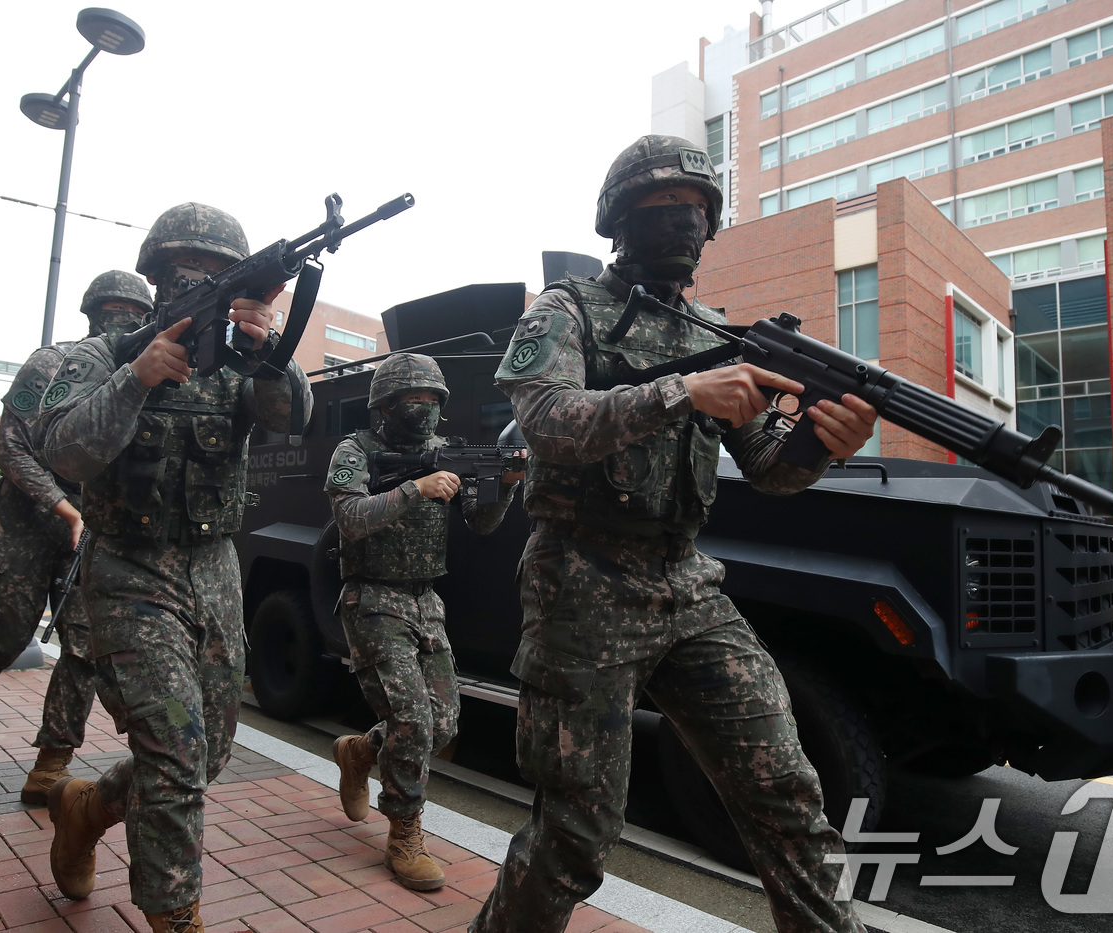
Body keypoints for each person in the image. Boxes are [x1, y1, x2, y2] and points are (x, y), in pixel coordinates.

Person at [469, 136, 878, 933]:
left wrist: (822, 442)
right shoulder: (567, 311)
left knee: (785, 794)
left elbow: (767, 467)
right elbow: (547, 422)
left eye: (696, 210)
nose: (683, 224)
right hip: (580, 580)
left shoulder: (714, 331)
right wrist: (684, 390)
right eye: (662, 208)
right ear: (619, 219)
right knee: (575, 835)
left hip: (687, 583)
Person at [37, 203, 313, 933]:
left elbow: (293, 416)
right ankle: (174, 913)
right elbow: (62, 451)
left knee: (209, 750)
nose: (205, 279)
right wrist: (137, 377)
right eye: (189, 268)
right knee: (175, 748)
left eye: (222, 272)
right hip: (128, 566)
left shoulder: (242, 354)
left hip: (215, 567)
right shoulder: (107, 353)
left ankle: (87, 808)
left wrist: (269, 348)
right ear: (158, 275)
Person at [0, 270, 153, 807]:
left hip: (93, 519)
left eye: (132, 311)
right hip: (26, 510)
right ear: (90, 315)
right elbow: (12, 447)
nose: (123, 320)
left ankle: (51, 762)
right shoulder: (51, 364)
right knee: (5, 632)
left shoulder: (145, 373)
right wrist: (62, 506)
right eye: (113, 310)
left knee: (86, 645)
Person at [327, 353, 524, 891]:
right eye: (413, 399)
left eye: (433, 399)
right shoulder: (355, 451)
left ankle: (361, 751)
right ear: (384, 406)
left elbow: (481, 522)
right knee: (412, 718)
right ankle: (405, 832)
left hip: (425, 601)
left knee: (443, 723)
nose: (425, 408)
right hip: (372, 599)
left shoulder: (448, 453)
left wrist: (503, 483)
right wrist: (417, 488)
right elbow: (349, 519)